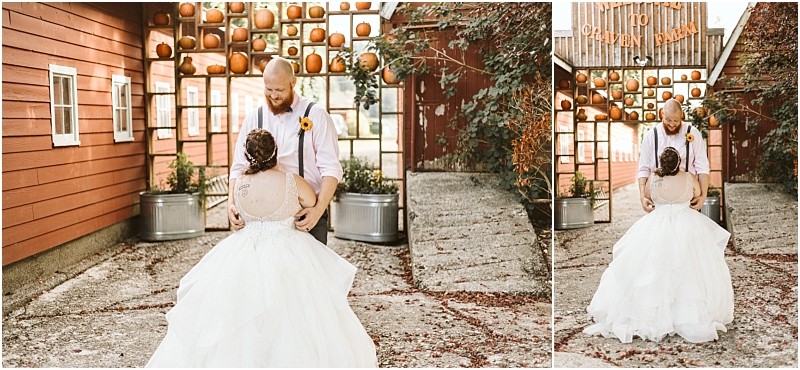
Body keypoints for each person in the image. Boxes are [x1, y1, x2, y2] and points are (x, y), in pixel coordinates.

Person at [146, 129, 377, 367]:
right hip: (289, 250)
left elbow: (238, 212)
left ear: (247, 156)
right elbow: (311, 203)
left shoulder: (240, 186)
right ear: (276, 153)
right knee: (297, 315)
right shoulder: (292, 181)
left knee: (238, 310)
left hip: (246, 250)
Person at [584, 147, 734, 343]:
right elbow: (697, 193)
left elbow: (647, 196)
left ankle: (653, 313)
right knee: (691, 268)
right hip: (686, 224)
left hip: (657, 222)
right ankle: (686, 314)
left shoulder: (653, 179)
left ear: (661, 163)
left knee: (653, 267)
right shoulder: (689, 177)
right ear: (679, 163)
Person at [228, 57, 343, 244]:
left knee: (309, 272)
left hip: (305, 215)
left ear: (293, 82)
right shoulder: (253, 118)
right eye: (268, 89)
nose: (273, 96)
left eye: (279, 90)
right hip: (261, 220)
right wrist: (231, 204)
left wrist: (318, 210)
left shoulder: (316, 116)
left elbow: (331, 169)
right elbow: (238, 167)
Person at [637, 98, 710, 213]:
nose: (671, 124)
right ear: (662, 114)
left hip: (687, 205)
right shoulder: (651, 136)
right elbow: (643, 169)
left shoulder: (693, 133)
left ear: (681, 115)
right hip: (658, 206)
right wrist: (643, 197)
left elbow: (702, 167)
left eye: (676, 120)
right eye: (668, 120)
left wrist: (703, 196)